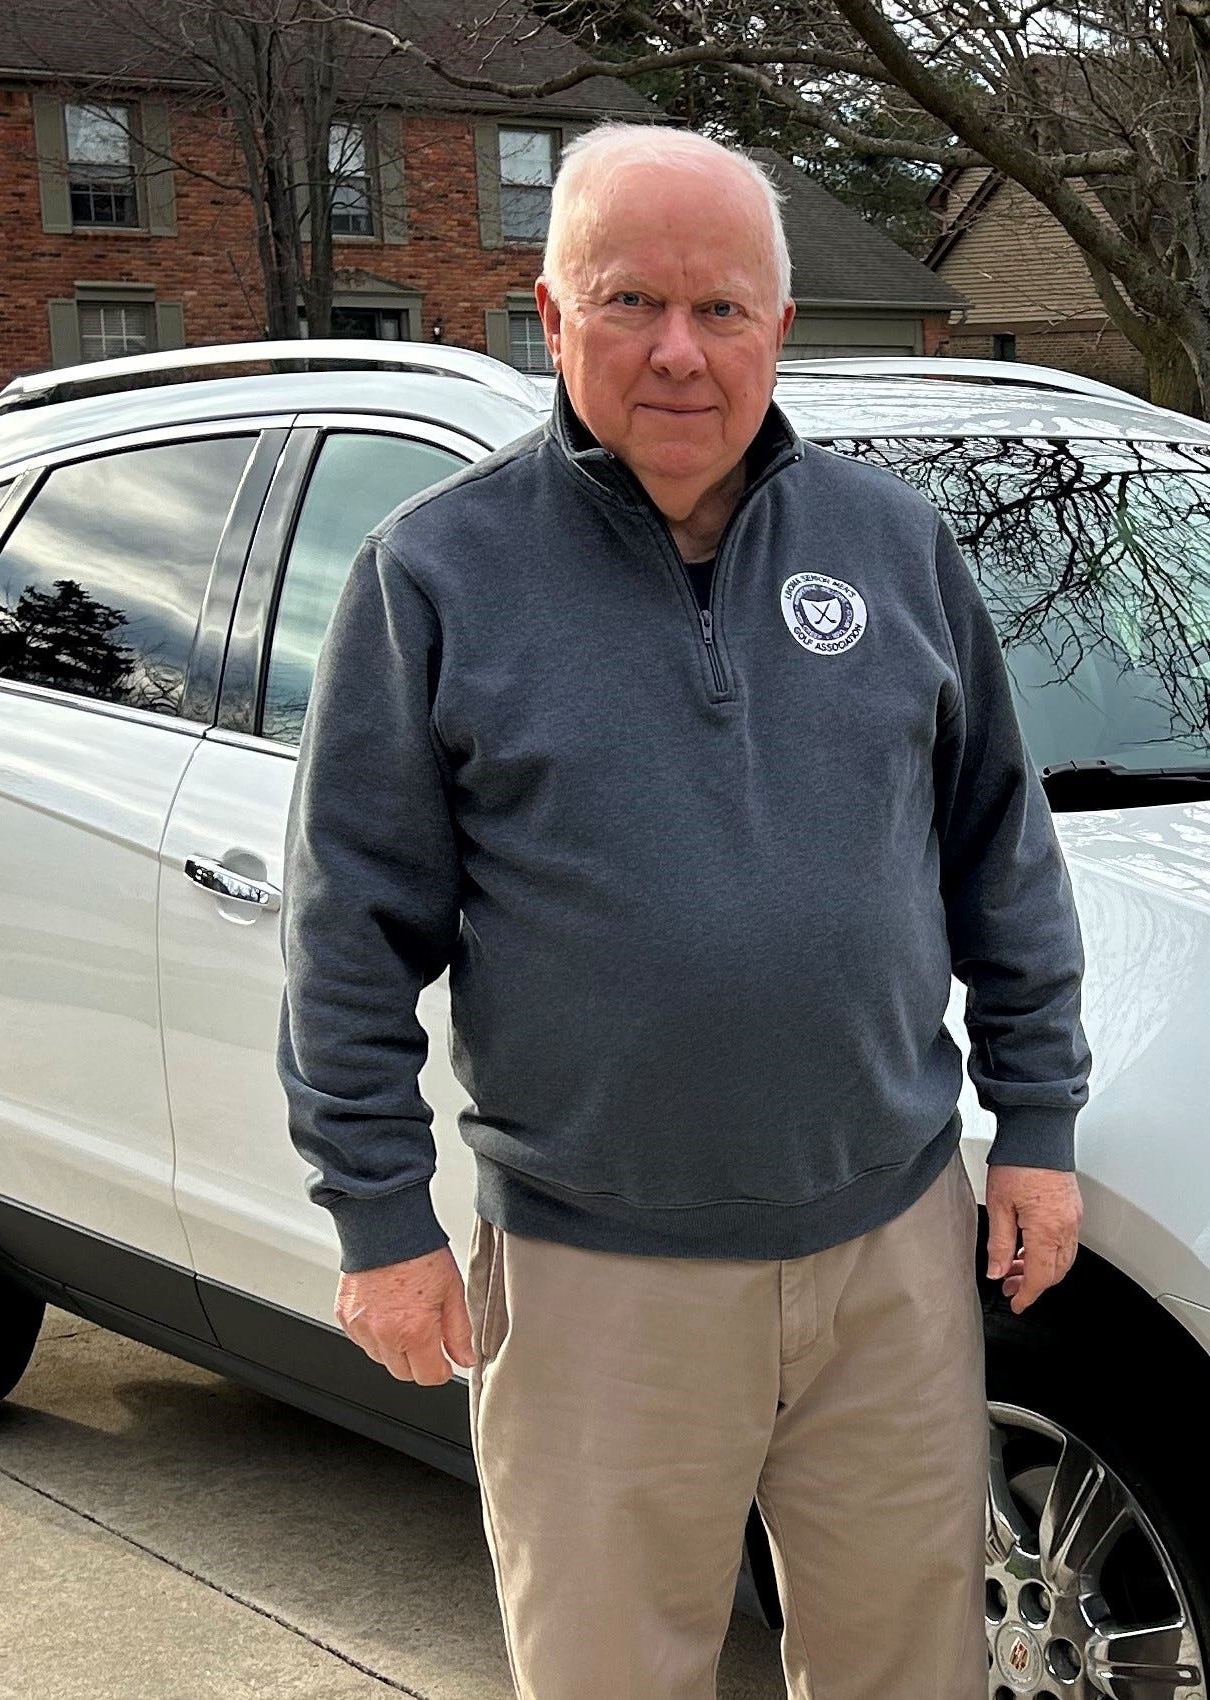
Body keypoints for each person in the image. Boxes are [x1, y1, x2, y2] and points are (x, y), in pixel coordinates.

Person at [276, 123, 1091, 1699]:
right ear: (548, 312)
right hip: (597, 1275)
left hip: (890, 1253)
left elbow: (1000, 850)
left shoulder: (893, 545)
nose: (677, 351)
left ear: (779, 330)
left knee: (914, 1666)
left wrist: (1039, 1124)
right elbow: (349, 938)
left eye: (720, 310)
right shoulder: (433, 579)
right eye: (628, 301)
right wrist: (379, 1219)